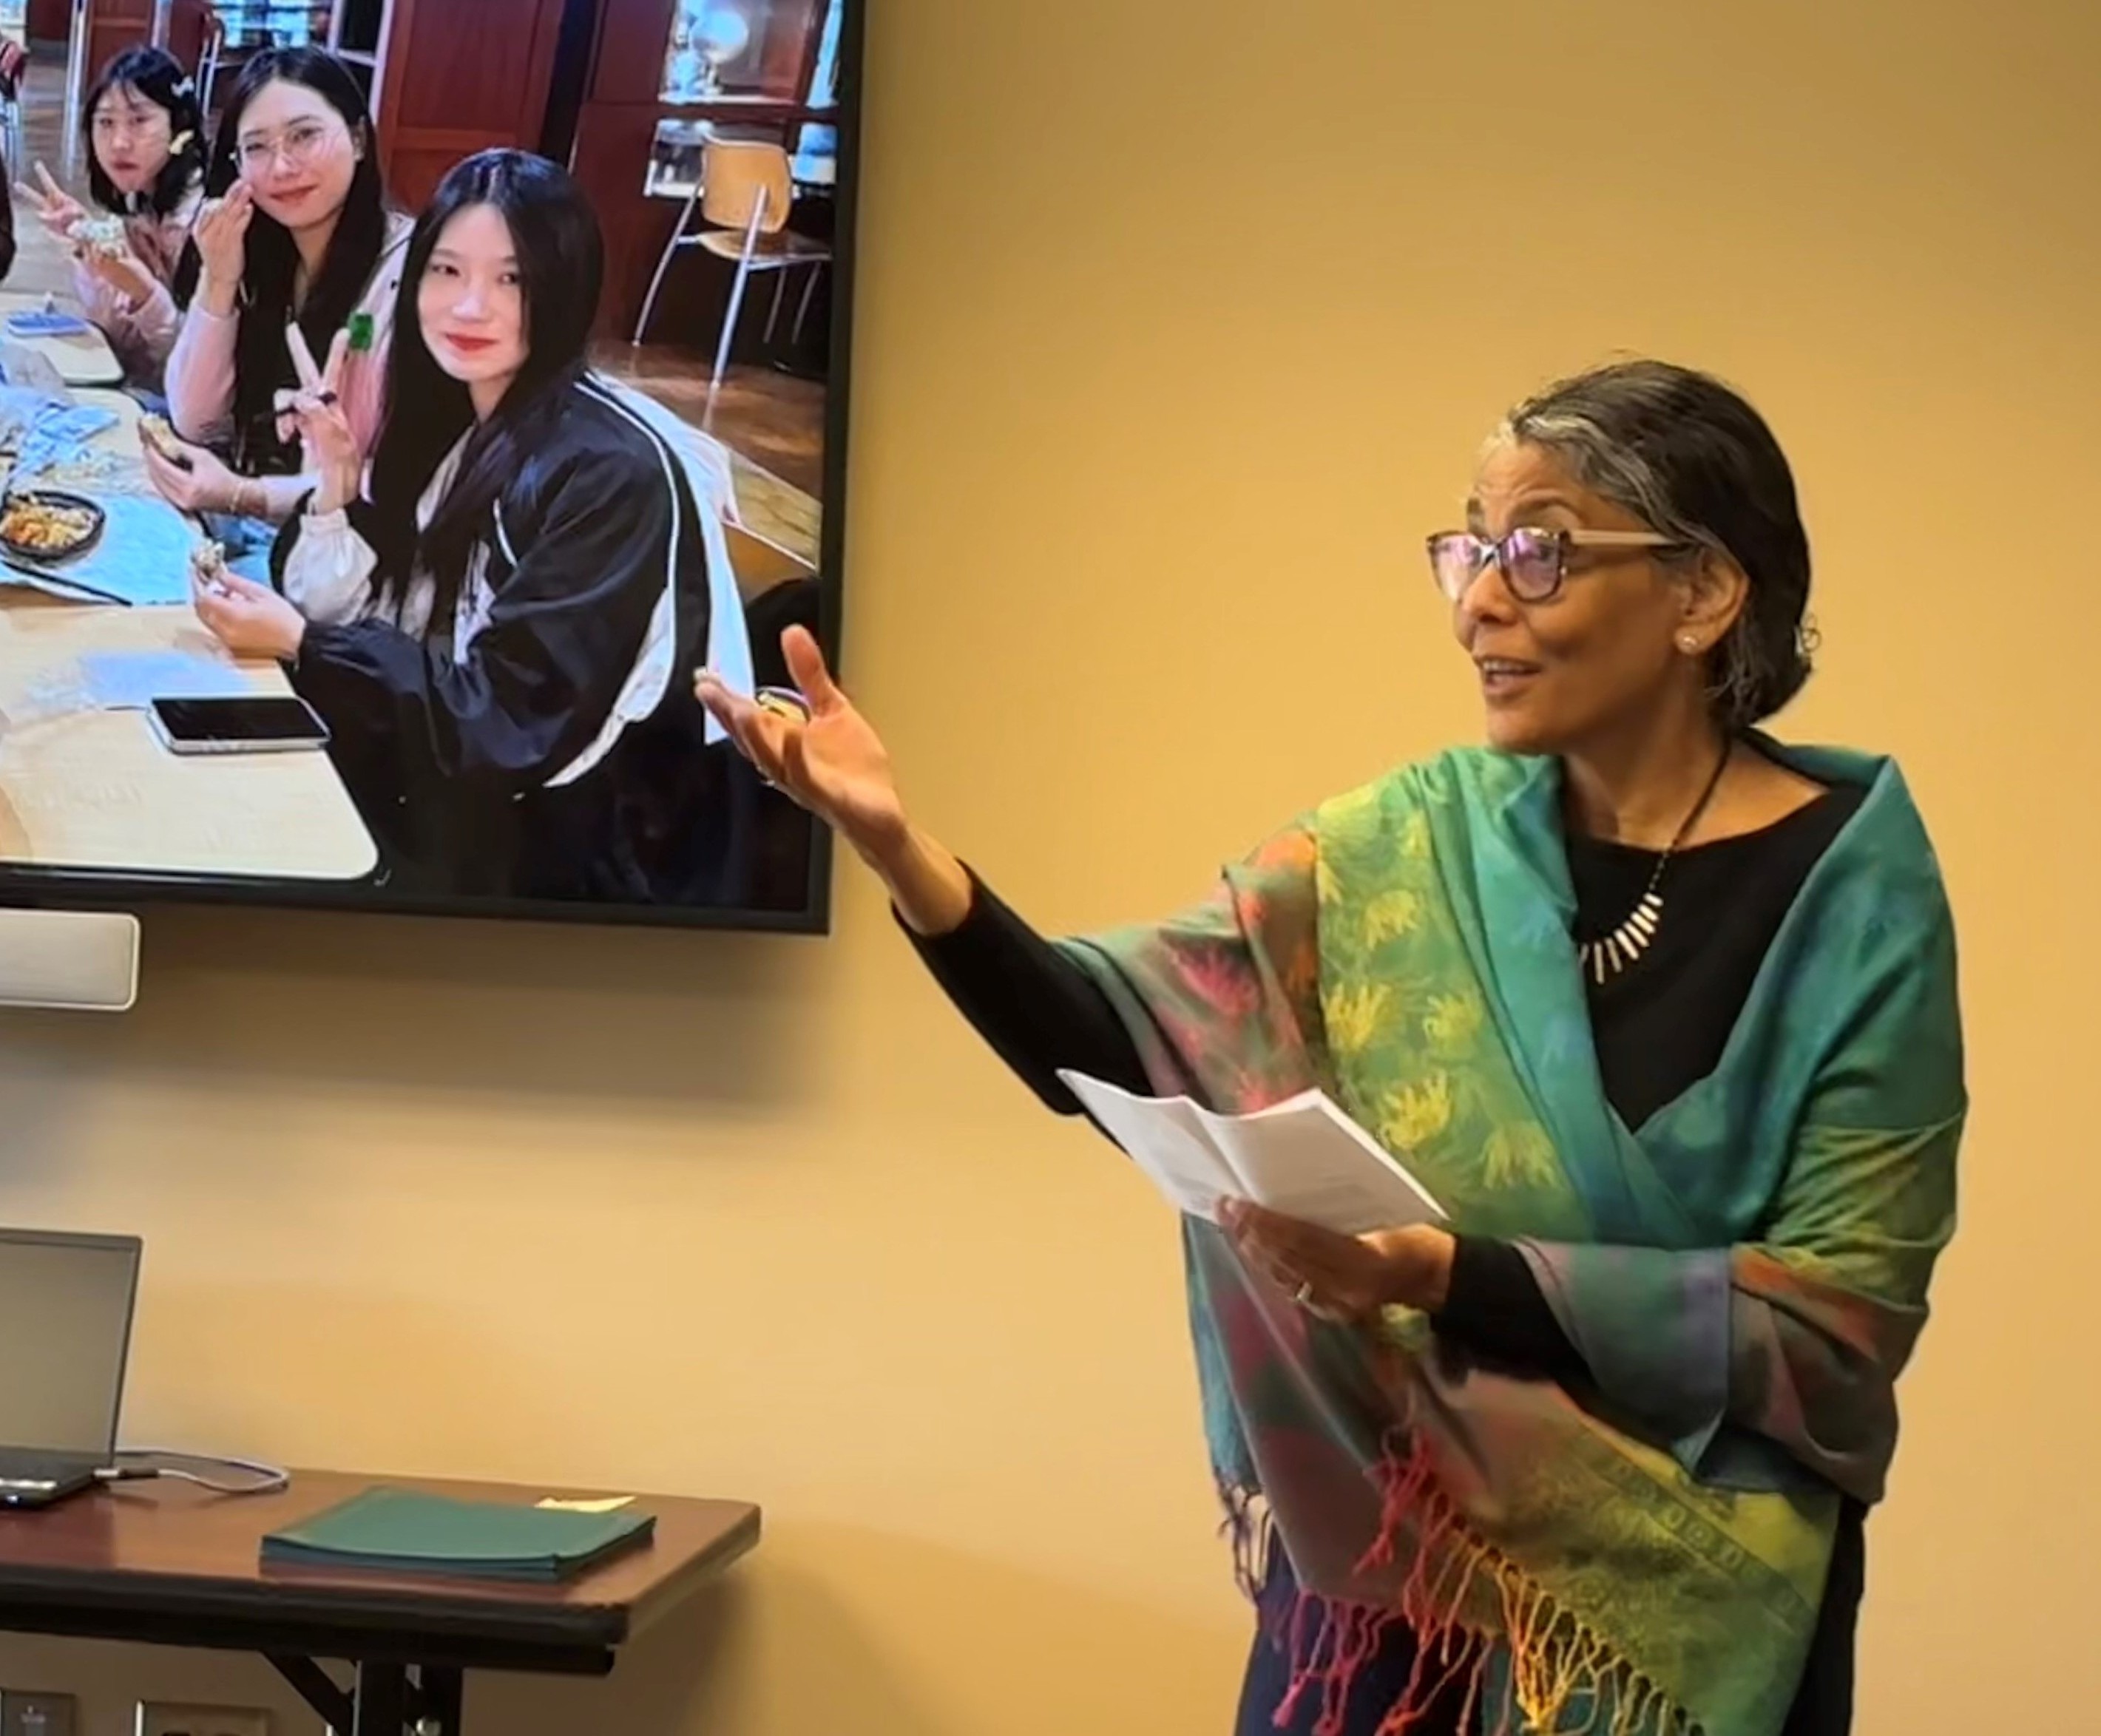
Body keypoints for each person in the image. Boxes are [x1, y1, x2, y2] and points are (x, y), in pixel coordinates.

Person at [697, 359, 1966, 1736]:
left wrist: (1443, 1271)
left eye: (1537, 550)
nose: (1480, 597)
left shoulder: (1856, 894)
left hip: (1692, 1643)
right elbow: (1110, 1037)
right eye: (1470, 549)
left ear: (1703, 594)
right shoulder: (1405, 845)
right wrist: (896, 846)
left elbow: (1832, 1333)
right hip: (1391, 1623)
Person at [189, 149, 764, 906]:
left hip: (585, 871)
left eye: (513, 278)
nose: (469, 307)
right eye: (448, 270)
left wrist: (305, 643)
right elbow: (393, 613)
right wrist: (335, 489)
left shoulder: (606, 472)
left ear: (567, 284)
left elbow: (501, 722)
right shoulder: (464, 418)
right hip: (474, 802)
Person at [146, 47, 411, 542]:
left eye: (305, 136)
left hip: (352, 558)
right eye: (257, 147)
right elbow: (195, 421)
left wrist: (245, 495)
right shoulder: (262, 255)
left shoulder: (407, 275)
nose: (282, 166)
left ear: (357, 139)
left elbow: (403, 478)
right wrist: (219, 280)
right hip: (256, 526)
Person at [14, 47, 205, 386]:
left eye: (139, 121)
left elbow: (200, 373)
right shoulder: (137, 205)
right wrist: (86, 249)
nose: (118, 142)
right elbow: (119, 342)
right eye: (105, 122)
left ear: (180, 125)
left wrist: (147, 295)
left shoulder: (204, 222)